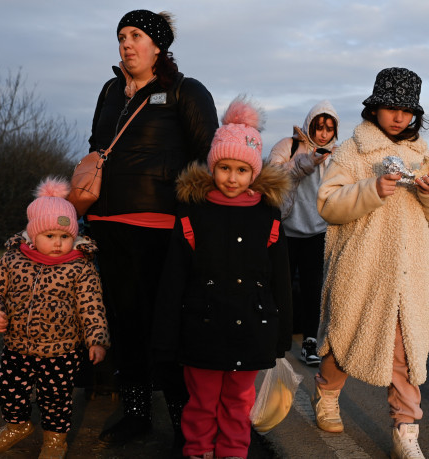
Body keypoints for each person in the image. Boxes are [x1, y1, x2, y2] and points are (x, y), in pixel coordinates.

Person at [83, 9, 219, 448]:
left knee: (167, 326)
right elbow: (95, 148)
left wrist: (198, 224)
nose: (126, 43)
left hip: (161, 227)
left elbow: (208, 159)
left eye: (136, 35)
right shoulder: (109, 90)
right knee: (124, 323)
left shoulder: (185, 90)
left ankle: (185, 422)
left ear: (158, 45)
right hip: (105, 223)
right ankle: (137, 413)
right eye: (121, 35)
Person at [313, 68, 429, 459]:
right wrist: (370, 189)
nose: (398, 116)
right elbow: (328, 203)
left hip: (410, 270)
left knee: (406, 351)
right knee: (346, 336)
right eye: (390, 107)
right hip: (362, 264)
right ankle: (326, 392)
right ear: (374, 108)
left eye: (407, 110)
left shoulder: (422, 154)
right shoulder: (353, 150)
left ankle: (406, 430)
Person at [152, 96, 293, 459]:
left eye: (242, 170)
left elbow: (280, 278)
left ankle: (233, 452)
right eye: (225, 167)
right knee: (201, 401)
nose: (232, 177)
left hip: (251, 329)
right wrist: (166, 336)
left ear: (254, 173)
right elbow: (173, 279)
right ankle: (197, 451)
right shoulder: (193, 212)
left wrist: (281, 333)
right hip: (202, 328)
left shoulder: (268, 215)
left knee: (238, 401)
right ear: (213, 167)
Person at [0, 177, 109, 459]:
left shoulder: (80, 268)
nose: (59, 243)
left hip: (61, 350)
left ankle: (54, 440)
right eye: (50, 236)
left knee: (56, 399)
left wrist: (96, 339)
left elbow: (91, 306)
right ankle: (18, 424)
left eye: (65, 236)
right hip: (17, 347)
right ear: (33, 235)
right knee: (8, 391)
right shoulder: (13, 260)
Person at [268, 100, 339, 366]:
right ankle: (276, 338)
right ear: (309, 125)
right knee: (280, 287)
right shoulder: (289, 146)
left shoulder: (338, 155)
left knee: (313, 290)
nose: (323, 133)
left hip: (318, 231)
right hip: (287, 229)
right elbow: (272, 176)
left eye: (329, 129)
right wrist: (306, 161)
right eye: (318, 127)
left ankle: (310, 341)